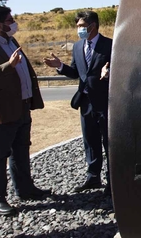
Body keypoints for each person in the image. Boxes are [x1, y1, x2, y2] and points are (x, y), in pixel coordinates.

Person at [0, 5, 50, 216]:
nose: (14, 23)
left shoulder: (10, 40)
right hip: (1, 113)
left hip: (22, 107)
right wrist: (8, 66)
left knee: (21, 150)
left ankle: (25, 189)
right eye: (10, 20)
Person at [44, 11, 112, 192]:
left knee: (109, 141)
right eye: (78, 27)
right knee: (90, 141)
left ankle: (112, 181)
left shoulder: (111, 45)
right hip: (86, 101)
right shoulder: (77, 46)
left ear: (93, 26)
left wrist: (110, 73)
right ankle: (93, 177)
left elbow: (121, 69)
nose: (79, 30)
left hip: (106, 102)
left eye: (82, 26)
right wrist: (59, 66)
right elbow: (76, 72)